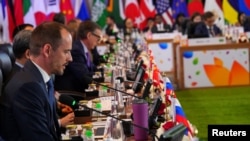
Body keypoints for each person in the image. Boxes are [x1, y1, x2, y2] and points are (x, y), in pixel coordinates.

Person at [0, 21, 73, 141]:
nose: (70, 58)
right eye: (66, 52)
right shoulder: (28, 87)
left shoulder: (40, 78)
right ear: (47, 50)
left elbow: (51, 129)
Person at [55, 21, 102, 93]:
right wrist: (102, 77)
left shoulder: (83, 48)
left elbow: (92, 68)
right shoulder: (76, 50)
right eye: (98, 38)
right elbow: (84, 76)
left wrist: (104, 73)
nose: (98, 42)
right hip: (73, 92)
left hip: (81, 88)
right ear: (89, 35)